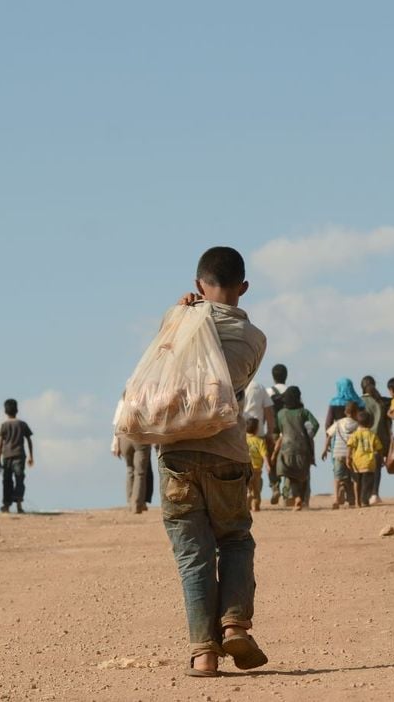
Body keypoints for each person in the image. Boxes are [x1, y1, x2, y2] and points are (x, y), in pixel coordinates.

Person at [157, 246, 268, 677]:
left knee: (194, 556)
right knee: (235, 540)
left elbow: (162, 367)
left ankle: (204, 654)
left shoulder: (178, 320)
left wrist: (181, 311)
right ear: (244, 288)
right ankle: (236, 623)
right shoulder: (255, 339)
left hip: (177, 455)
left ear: (197, 284)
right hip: (227, 452)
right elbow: (230, 388)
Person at [270, 386, 319, 511]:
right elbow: (315, 424)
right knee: (302, 474)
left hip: (287, 448)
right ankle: (300, 499)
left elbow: (279, 430)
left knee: (290, 474)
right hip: (303, 447)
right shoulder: (304, 412)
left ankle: (296, 497)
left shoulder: (281, 414)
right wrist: (309, 435)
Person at [0, 398, 34, 514]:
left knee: (7, 481)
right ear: (17, 410)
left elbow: (0, 444)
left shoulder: (3, 426)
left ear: (5, 411)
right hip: (19, 456)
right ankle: (19, 506)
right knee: (19, 479)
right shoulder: (22, 424)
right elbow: (29, 440)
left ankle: (6, 506)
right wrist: (31, 456)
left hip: (6, 456)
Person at [322, 401, 359, 508]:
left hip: (338, 453)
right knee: (354, 478)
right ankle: (356, 500)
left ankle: (336, 499)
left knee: (337, 477)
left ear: (345, 412)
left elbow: (329, 435)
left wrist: (325, 449)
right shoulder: (357, 425)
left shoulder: (338, 423)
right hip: (352, 454)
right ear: (356, 412)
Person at [360, 376, 391, 504]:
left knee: (364, 467)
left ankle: (363, 495)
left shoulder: (360, 401)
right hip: (381, 438)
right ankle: (374, 494)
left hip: (363, 439)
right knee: (377, 467)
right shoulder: (382, 401)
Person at [346, 409, 383, 507]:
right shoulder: (372, 435)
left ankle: (357, 501)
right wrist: (381, 458)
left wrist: (348, 458)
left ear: (358, 423)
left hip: (357, 462)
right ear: (370, 423)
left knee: (357, 482)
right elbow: (379, 448)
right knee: (367, 484)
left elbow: (350, 446)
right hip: (369, 463)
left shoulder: (355, 435)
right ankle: (364, 500)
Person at [265, 364, 289, 503]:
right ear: (286, 376)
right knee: (285, 462)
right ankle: (287, 492)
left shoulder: (268, 392)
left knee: (271, 461)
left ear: (273, 377)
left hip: (272, 432)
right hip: (287, 432)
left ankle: (275, 487)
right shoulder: (291, 391)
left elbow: (265, 412)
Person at [113, 436, 153, 514]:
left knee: (130, 470)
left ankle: (130, 503)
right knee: (140, 473)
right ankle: (137, 505)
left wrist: (116, 444)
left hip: (124, 439)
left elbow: (117, 424)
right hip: (140, 437)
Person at [245, 418, 268, 512]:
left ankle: (247, 501)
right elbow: (264, 455)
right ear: (256, 429)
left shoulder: (243, 440)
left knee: (247, 486)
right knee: (257, 489)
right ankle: (256, 507)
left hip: (246, 467)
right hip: (257, 469)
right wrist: (268, 465)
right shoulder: (260, 441)